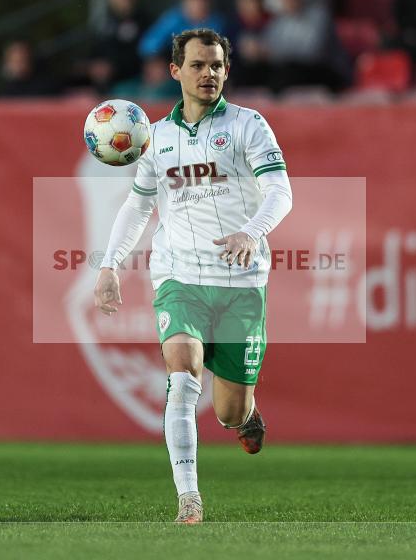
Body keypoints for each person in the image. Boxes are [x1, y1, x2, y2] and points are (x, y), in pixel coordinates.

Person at [94, 28, 293, 524]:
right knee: (181, 377)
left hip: (241, 282)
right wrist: (109, 265)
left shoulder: (249, 126)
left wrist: (251, 232)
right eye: (200, 65)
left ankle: (247, 416)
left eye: (218, 65)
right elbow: (138, 206)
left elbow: (280, 192)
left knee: (227, 411)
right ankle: (189, 500)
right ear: (175, 71)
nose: (210, 74)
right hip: (178, 277)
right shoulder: (155, 138)